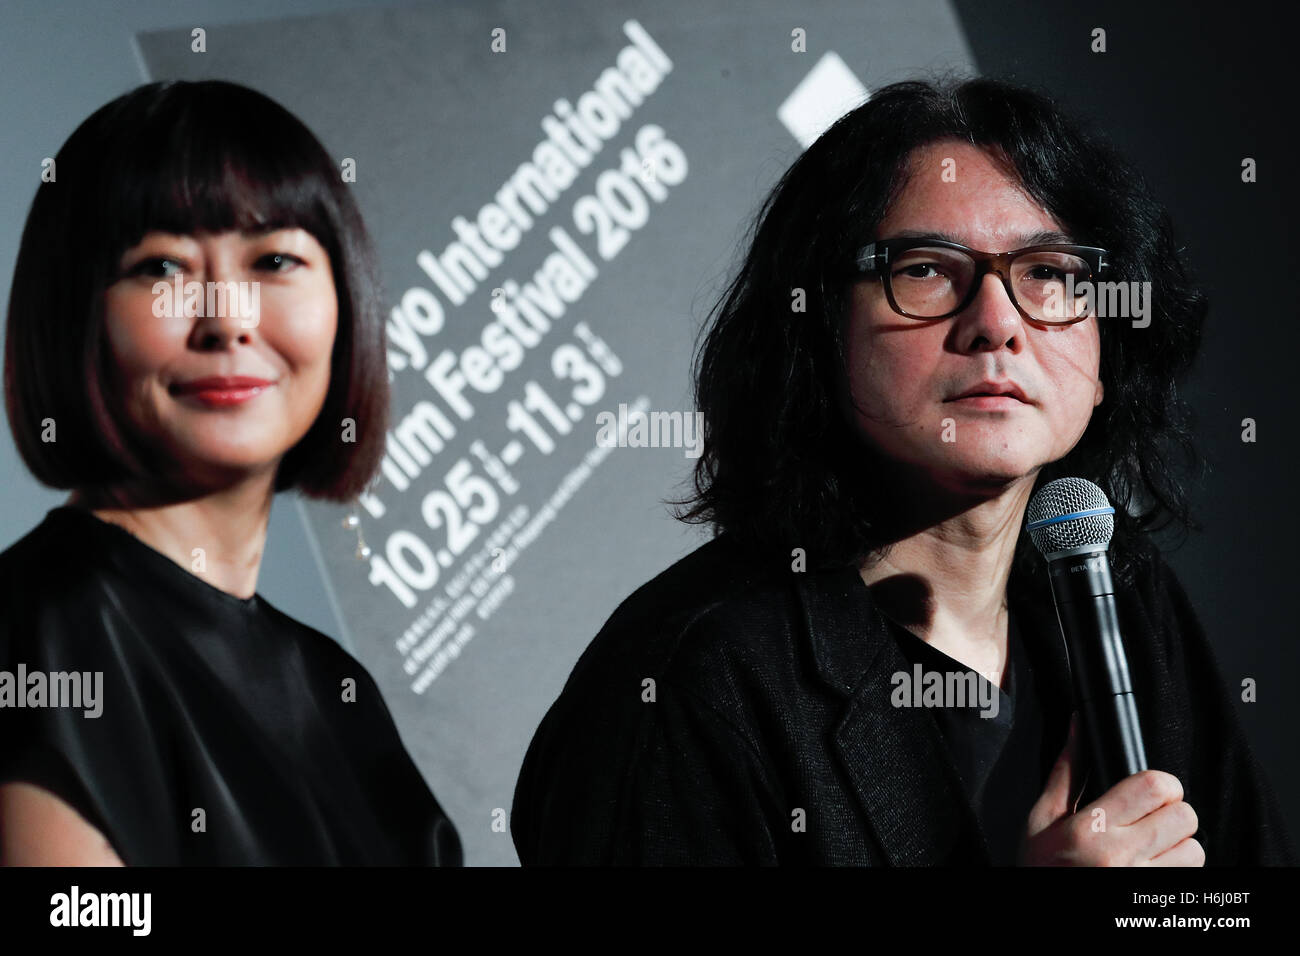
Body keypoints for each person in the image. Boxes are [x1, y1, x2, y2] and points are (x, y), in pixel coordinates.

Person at [510, 75, 1296, 865]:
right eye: (924, 270)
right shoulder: (690, 684)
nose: (997, 325)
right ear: (819, 331)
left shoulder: (1120, 584)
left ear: (1103, 356)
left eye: (1049, 274)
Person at [0, 80, 461, 865]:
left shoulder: (329, 682)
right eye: (162, 269)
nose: (228, 320)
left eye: (275, 259)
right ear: (74, 313)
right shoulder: (47, 632)